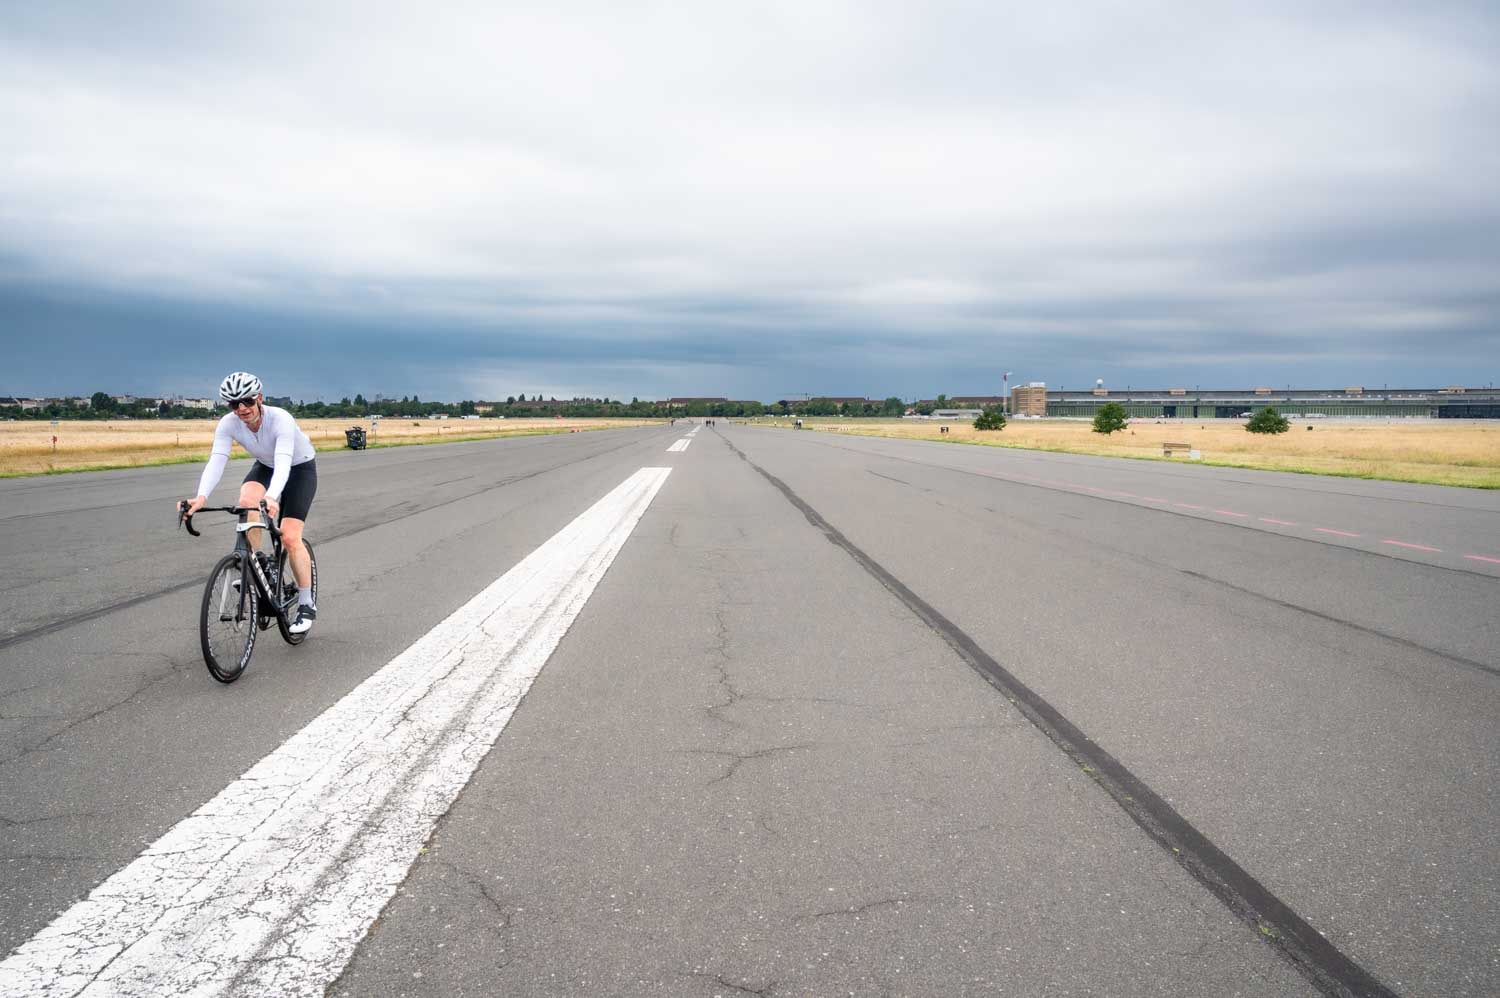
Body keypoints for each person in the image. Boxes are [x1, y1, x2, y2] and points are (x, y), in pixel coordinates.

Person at [180, 372, 319, 634]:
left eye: (246, 401)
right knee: (245, 502)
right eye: (234, 404)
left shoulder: (280, 419)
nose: (242, 409)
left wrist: (272, 496)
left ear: (259, 399)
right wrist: (200, 497)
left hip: (299, 468)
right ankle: (256, 563)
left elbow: (283, 460)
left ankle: (306, 602)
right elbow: (218, 459)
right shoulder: (228, 424)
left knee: (290, 537)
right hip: (266, 466)